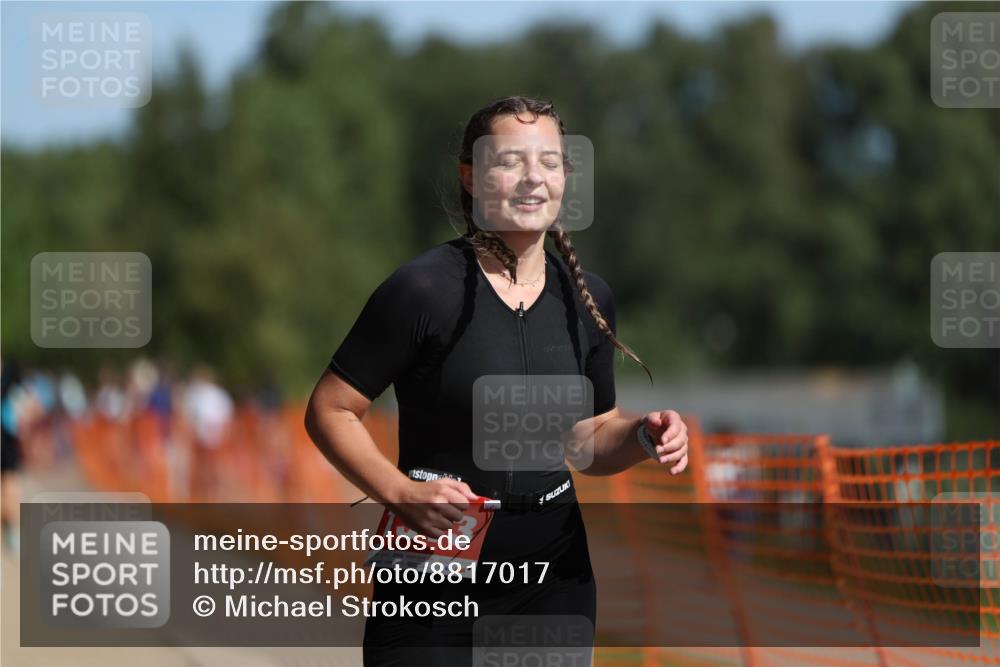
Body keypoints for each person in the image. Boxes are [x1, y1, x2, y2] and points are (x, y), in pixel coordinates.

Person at [305, 96, 689, 666]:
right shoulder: (423, 291)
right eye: (511, 161)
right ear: (472, 176)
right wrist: (403, 494)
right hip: (436, 564)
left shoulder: (587, 299)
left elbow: (586, 438)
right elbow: (330, 410)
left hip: (553, 572)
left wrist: (640, 435)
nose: (534, 177)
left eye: (550, 162)